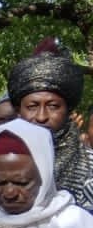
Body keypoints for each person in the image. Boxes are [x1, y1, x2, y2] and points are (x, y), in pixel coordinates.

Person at [6, 40, 93, 211]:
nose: (41, 117)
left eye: (53, 106)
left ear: (68, 110)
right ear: (18, 111)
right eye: (32, 106)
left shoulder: (89, 169)